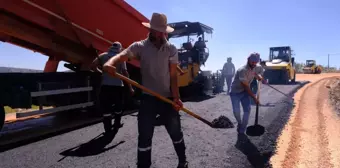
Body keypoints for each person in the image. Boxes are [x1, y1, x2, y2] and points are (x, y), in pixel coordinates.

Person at [103, 13, 188, 168]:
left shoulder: (171, 49)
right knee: (144, 136)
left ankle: (183, 160)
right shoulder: (140, 47)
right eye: (159, 31)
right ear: (151, 30)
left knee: (176, 132)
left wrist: (176, 97)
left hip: (167, 98)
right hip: (148, 98)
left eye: (164, 31)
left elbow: (174, 76)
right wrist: (111, 62)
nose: (162, 34)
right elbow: (122, 55)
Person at [90, 42, 134, 135]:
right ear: (120, 48)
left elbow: (93, 66)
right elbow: (125, 72)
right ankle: (117, 124)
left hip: (105, 85)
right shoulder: (120, 58)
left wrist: (102, 73)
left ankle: (107, 128)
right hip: (118, 86)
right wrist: (130, 87)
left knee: (106, 107)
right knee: (118, 106)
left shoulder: (103, 55)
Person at [229, 53, 267, 134]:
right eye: (252, 62)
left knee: (247, 110)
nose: (254, 63)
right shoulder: (242, 70)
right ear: (248, 60)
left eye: (255, 62)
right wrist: (254, 98)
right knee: (236, 111)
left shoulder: (256, 67)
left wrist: (260, 78)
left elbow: (257, 73)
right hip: (235, 92)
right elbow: (246, 86)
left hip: (244, 92)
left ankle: (242, 129)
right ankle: (239, 123)